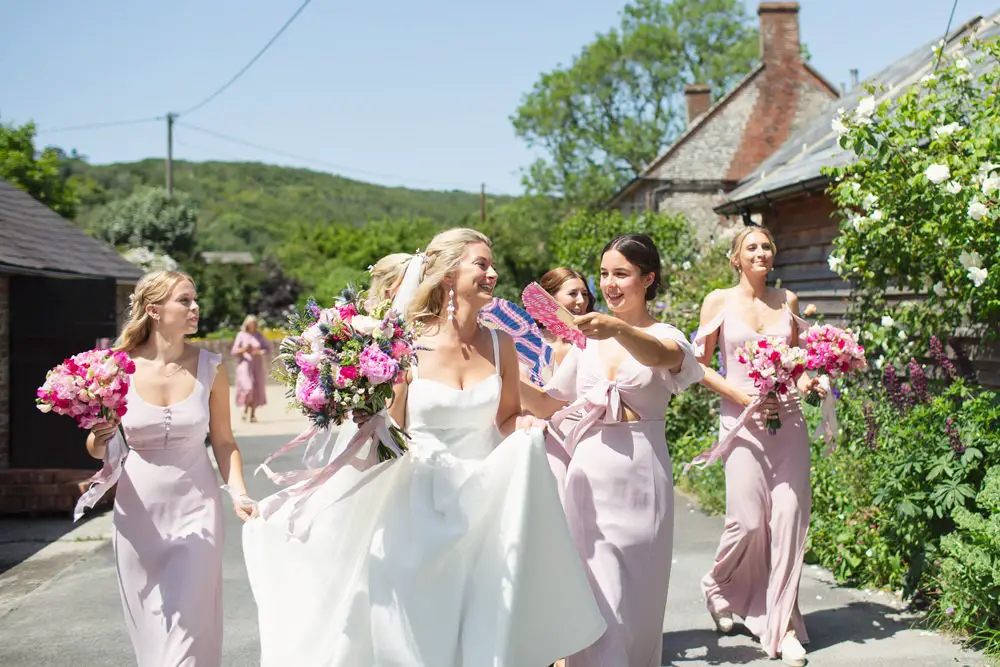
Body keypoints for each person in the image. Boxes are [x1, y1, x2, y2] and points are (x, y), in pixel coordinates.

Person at [243, 228, 606, 666]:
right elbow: (391, 433)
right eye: (481, 264)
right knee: (419, 631)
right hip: (418, 506)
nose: (493, 273)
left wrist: (526, 422)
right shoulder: (406, 344)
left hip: (486, 505)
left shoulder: (500, 344)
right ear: (449, 274)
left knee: (478, 626)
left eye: (492, 265)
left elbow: (507, 418)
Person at [522, 233, 703, 667]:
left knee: (637, 601)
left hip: (643, 475)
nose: (608, 284)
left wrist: (618, 328)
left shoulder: (665, 335)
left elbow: (664, 358)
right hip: (588, 477)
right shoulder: (587, 342)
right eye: (604, 274)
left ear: (648, 278)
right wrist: (501, 374)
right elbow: (551, 402)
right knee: (597, 599)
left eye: (621, 274)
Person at [86, 270, 254, 667]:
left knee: (188, 632)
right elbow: (96, 450)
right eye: (184, 300)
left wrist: (239, 491)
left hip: (197, 511)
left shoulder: (212, 368)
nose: (195, 308)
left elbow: (225, 442)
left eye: (195, 299)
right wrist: (100, 433)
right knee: (153, 636)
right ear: (154, 309)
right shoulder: (114, 368)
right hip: (136, 516)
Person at [691, 225, 825, 666]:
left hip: (788, 422)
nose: (761, 251)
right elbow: (698, 367)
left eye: (767, 244)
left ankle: (782, 625)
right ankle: (718, 583)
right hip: (742, 422)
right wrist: (738, 394)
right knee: (748, 523)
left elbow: (799, 363)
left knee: (788, 520)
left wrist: (812, 383)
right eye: (752, 246)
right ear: (736, 258)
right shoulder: (718, 301)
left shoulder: (786, 301)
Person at [232, 315, 270, 423]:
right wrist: (244, 349)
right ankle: (245, 409)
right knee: (248, 388)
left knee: (256, 389)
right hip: (245, 365)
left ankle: (252, 414)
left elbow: (267, 349)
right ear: (247, 324)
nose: (252, 326)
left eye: (254, 324)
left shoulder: (259, 335)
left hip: (257, 365)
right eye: (250, 324)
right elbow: (234, 351)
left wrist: (260, 352)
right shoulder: (241, 335)